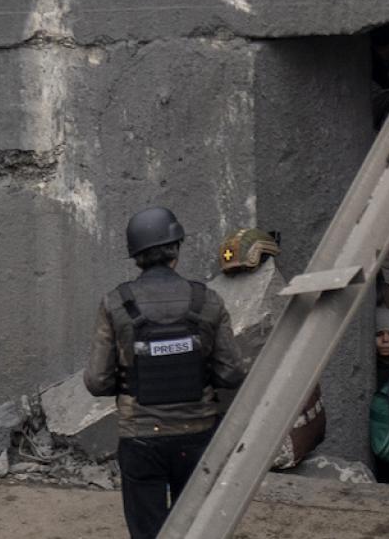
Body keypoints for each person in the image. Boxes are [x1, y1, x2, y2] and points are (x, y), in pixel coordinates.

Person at [85, 206, 245, 539]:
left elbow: (97, 381)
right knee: (198, 529)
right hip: (197, 433)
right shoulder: (208, 300)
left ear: (136, 256)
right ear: (176, 248)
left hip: (140, 437)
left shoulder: (116, 302)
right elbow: (231, 374)